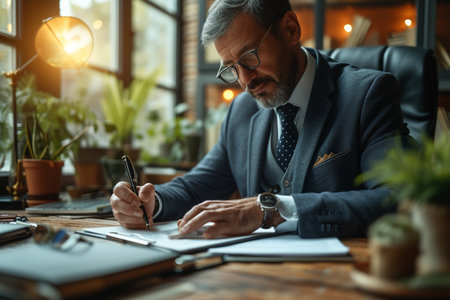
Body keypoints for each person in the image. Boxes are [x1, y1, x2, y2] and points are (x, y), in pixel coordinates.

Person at [110, 0, 412, 239]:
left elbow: (394, 200)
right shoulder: (241, 111)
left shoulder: (367, 94)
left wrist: (272, 209)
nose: (244, 81)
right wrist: (151, 202)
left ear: (291, 29)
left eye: (249, 57)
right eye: (231, 68)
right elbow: (197, 186)